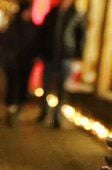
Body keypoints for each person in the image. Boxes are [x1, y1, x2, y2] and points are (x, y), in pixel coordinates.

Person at [36, 0, 85, 128]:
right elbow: (42, 33)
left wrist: (78, 55)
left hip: (66, 56)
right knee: (46, 86)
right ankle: (44, 112)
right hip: (50, 55)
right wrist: (40, 51)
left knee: (62, 88)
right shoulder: (52, 13)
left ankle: (57, 117)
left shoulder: (77, 14)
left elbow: (81, 36)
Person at [1, 3, 37, 126]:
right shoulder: (13, 26)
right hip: (13, 62)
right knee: (12, 85)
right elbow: (7, 43)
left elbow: (35, 44)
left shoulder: (33, 27)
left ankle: (19, 108)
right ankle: (11, 109)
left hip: (26, 62)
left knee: (23, 85)